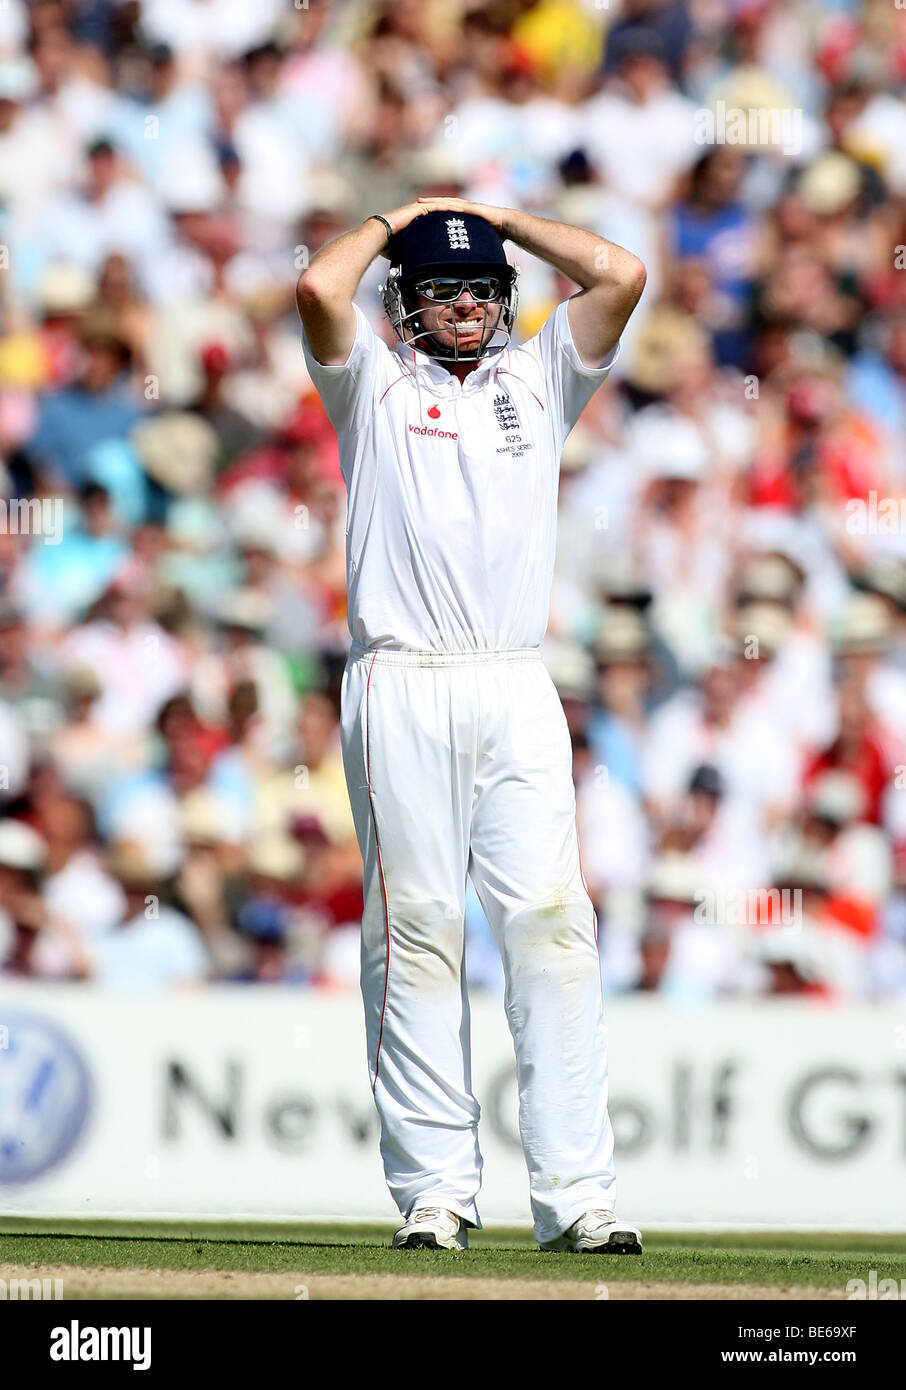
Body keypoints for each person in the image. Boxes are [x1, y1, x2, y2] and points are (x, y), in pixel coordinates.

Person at [295, 198, 646, 1254]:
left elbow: (622, 275)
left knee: (552, 927)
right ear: (403, 301)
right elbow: (319, 286)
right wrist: (400, 218)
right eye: (442, 288)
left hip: (514, 678)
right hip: (402, 676)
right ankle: (436, 1193)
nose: (463, 305)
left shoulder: (538, 380)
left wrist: (495, 219)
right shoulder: (370, 382)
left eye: (482, 289)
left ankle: (579, 1197)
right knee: (418, 933)